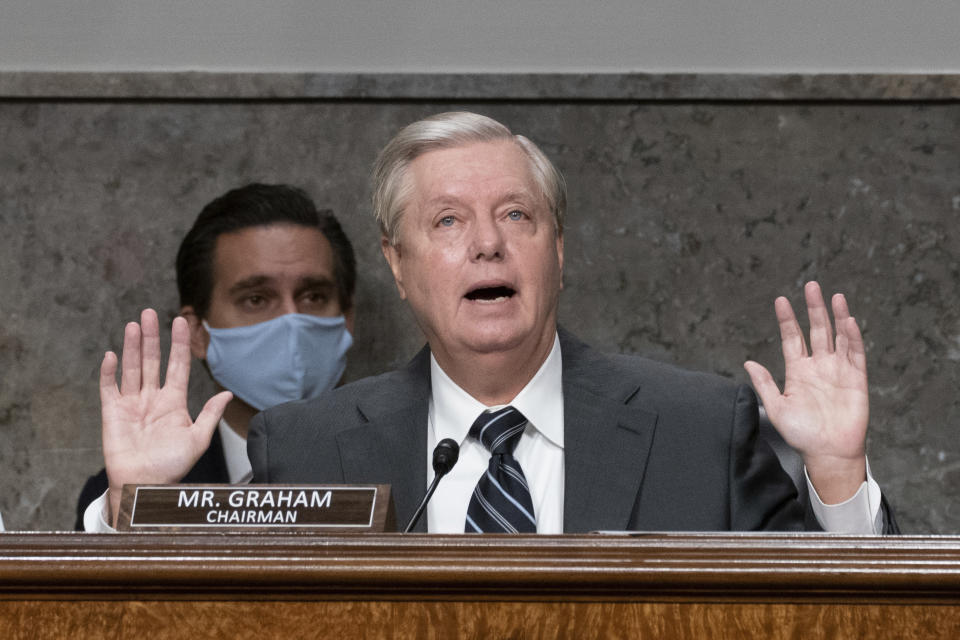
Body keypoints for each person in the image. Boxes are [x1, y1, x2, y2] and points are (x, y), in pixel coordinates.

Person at [104, 113, 893, 534]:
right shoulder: (306, 445)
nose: (487, 242)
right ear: (398, 265)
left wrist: (835, 479)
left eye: (516, 214)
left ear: (558, 251)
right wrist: (132, 507)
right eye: (447, 222)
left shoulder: (698, 428)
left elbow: (830, 623)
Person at [78, 184, 356, 530]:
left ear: (346, 320)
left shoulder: (413, 465)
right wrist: (134, 507)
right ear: (198, 333)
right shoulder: (133, 491)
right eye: (256, 299)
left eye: (313, 296)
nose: (291, 322)